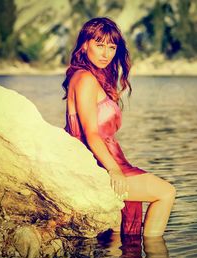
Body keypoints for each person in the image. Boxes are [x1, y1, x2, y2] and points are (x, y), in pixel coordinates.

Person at [63, 17, 175, 237]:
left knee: (117, 233)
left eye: (112, 47)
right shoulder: (85, 79)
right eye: (100, 45)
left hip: (107, 159)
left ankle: (125, 255)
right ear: (85, 45)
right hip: (100, 163)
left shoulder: (88, 77)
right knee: (166, 192)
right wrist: (113, 170)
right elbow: (90, 134)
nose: (106, 53)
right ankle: (155, 253)